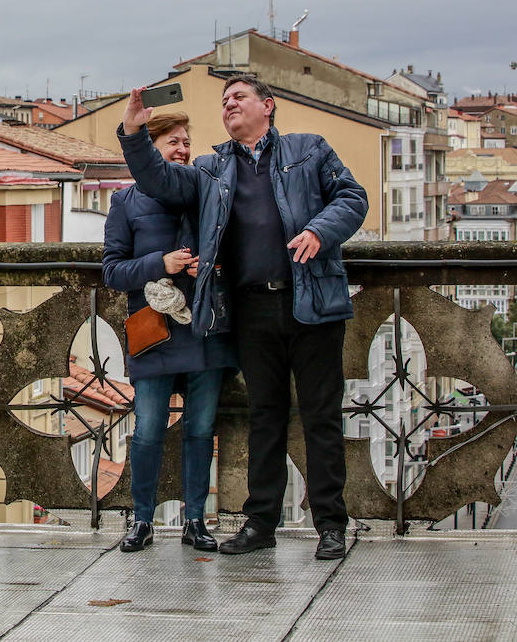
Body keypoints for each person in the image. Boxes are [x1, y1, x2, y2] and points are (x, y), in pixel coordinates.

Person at [117, 73, 368, 561]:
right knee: (265, 418)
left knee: (321, 417)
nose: (229, 104)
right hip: (251, 308)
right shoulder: (213, 169)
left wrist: (320, 230)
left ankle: (331, 525)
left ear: (267, 106)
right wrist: (133, 133)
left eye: (239, 97)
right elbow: (159, 180)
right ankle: (261, 523)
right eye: (224, 100)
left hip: (312, 301)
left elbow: (352, 198)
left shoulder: (309, 149)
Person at [102, 112, 236, 553]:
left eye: (186, 141)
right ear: (150, 151)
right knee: (148, 430)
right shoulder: (125, 202)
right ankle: (142, 521)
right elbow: (113, 271)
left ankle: (195, 521)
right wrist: (162, 264)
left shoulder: (203, 192)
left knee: (201, 429)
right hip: (154, 331)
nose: (182, 149)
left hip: (205, 329)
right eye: (172, 142)